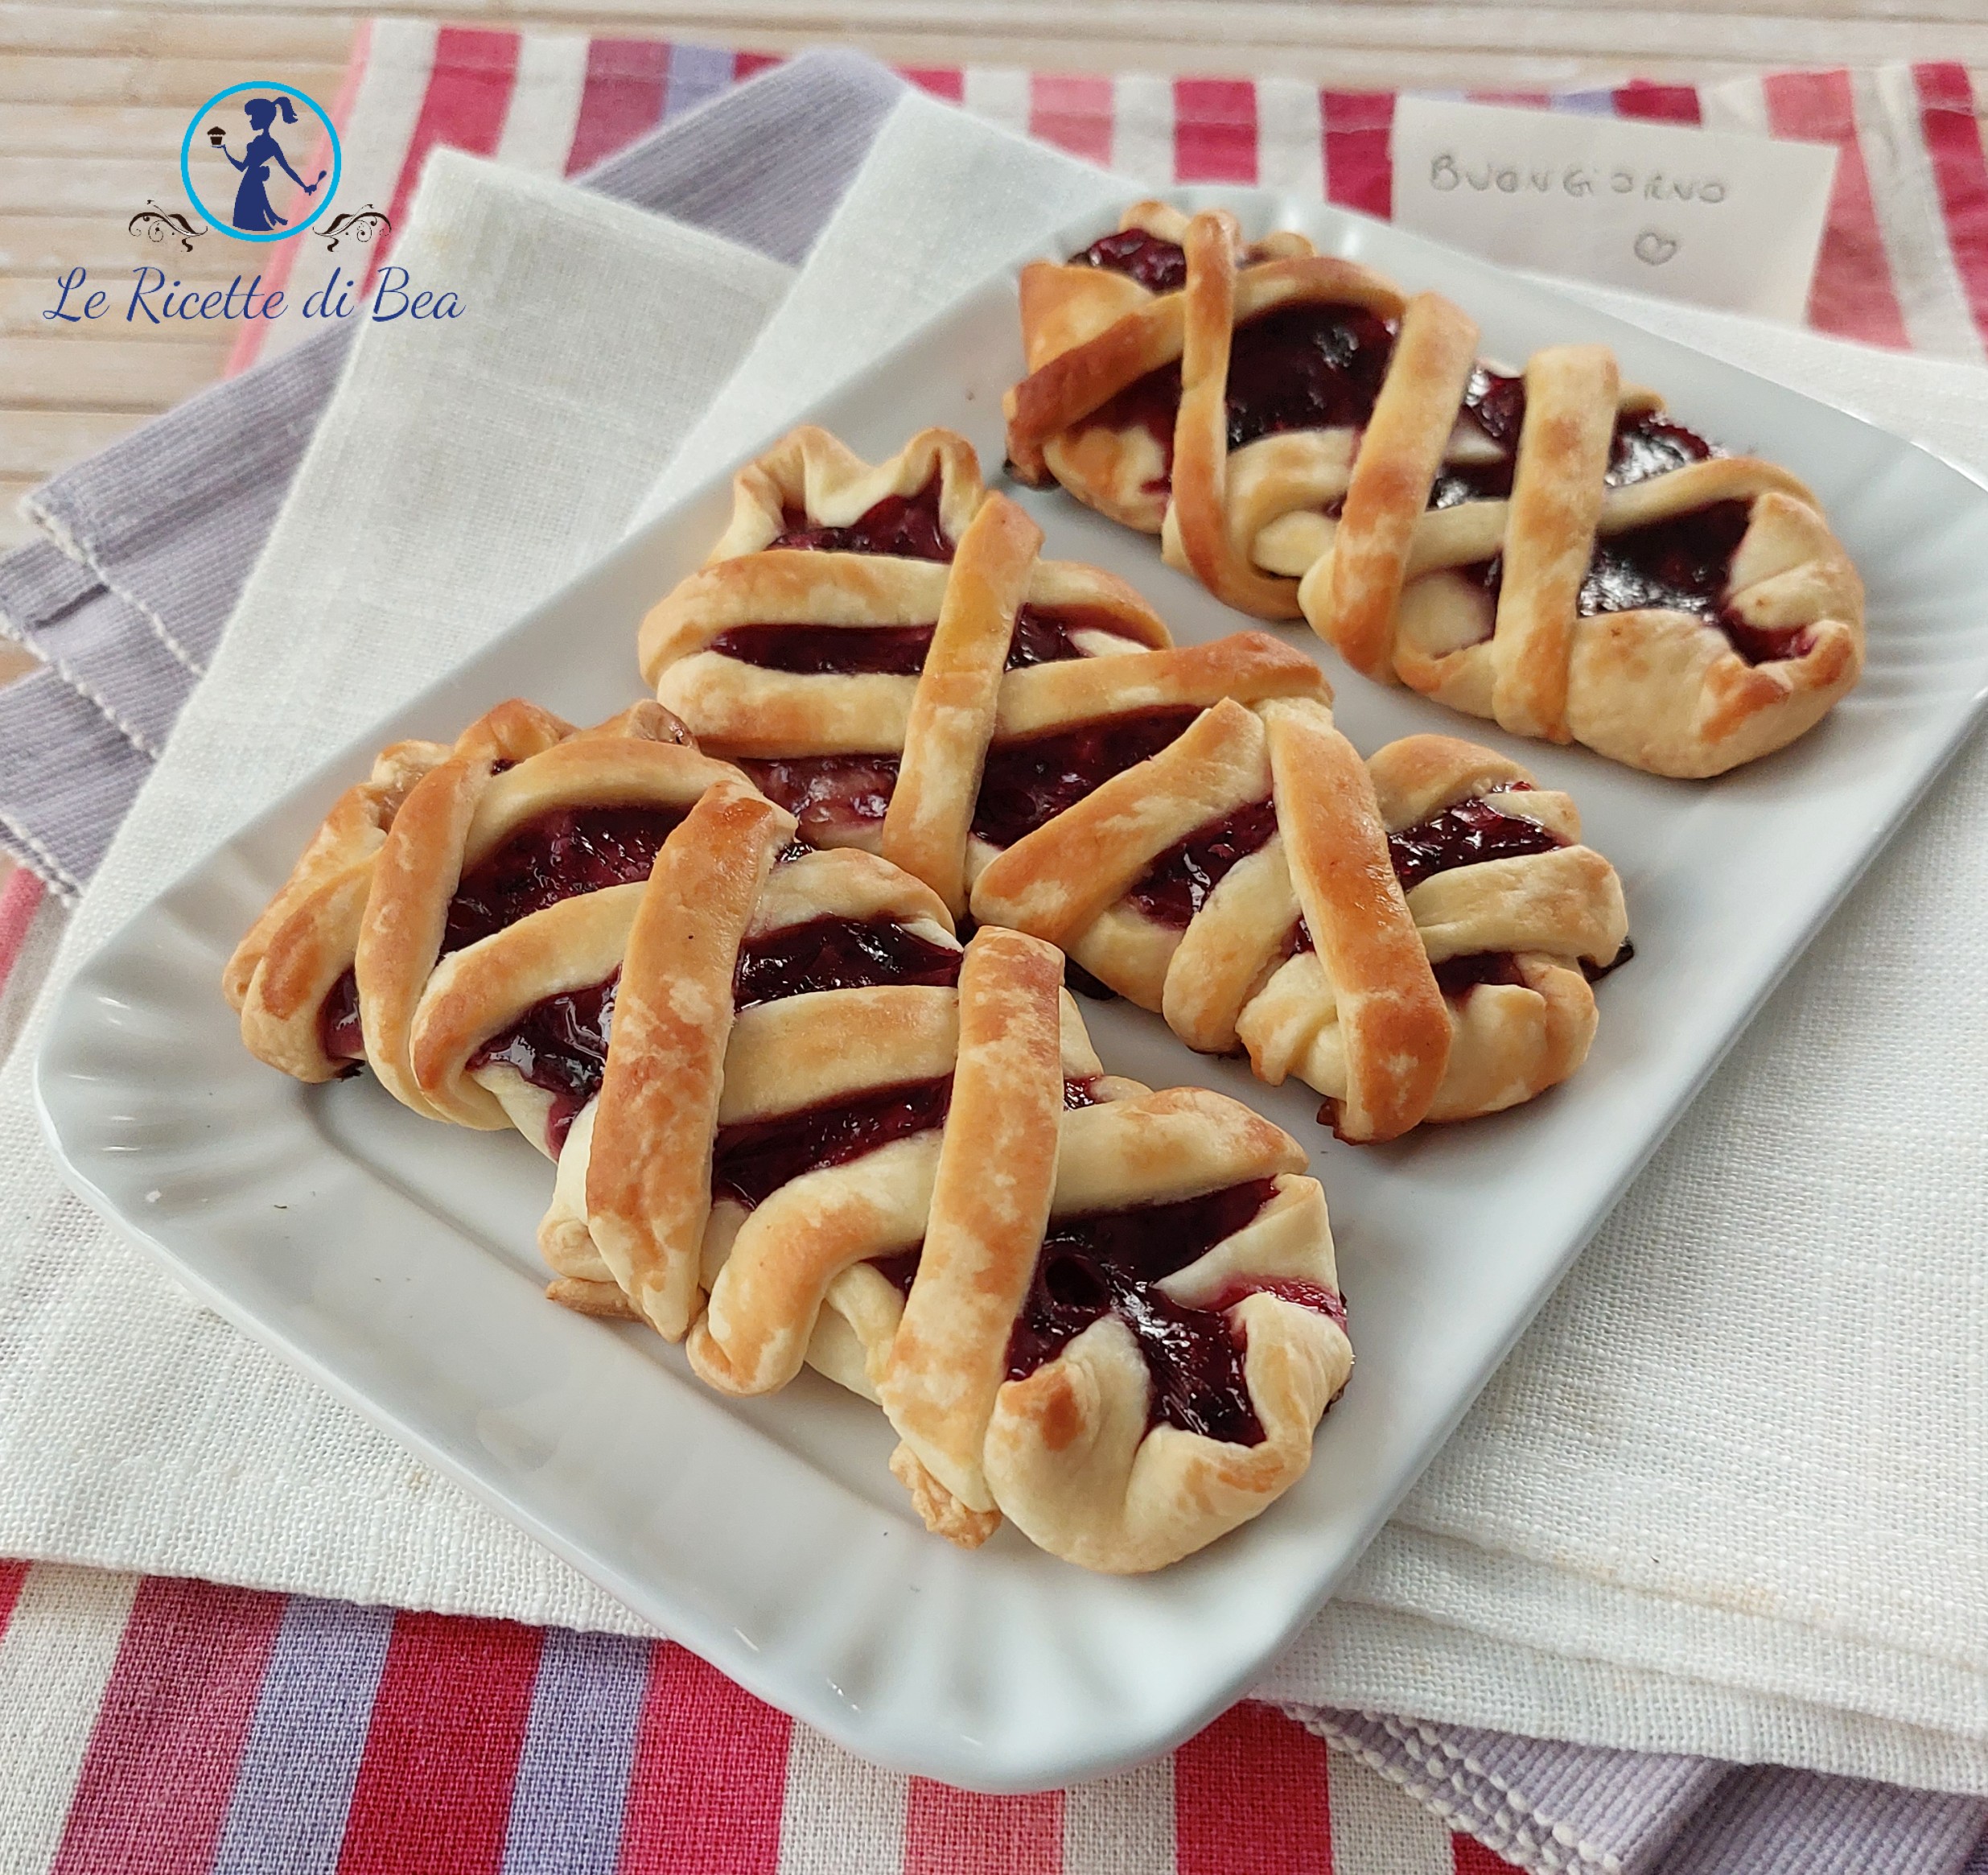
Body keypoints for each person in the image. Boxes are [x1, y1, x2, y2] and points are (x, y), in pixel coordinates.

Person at [216, 97, 316, 233]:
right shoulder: (265, 142)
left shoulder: (270, 144)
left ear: (262, 119)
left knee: (252, 216)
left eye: (253, 117)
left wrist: (225, 152)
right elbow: (286, 168)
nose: (250, 120)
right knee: (256, 213)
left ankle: (273, 222)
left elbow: (286, 168)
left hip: (250, 181)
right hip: (250, 181)